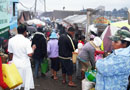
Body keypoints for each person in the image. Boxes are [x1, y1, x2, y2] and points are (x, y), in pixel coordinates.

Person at [8, 24, 36, 90]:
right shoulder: (27, 41)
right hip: (24, 64)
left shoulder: (11, 40)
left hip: (15, 63)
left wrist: (10, 62)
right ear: (24, 32)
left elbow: (10, 53)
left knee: (15, 81)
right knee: (26, 81)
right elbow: (30, 54)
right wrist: (33, 48)